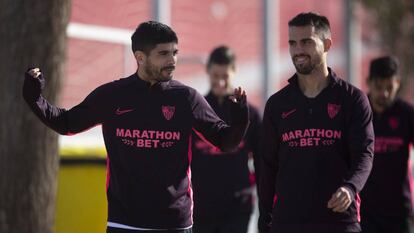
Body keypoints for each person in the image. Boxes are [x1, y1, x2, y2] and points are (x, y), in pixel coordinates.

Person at [23, 21, 249, 233]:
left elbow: (224, 141)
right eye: (163, 54)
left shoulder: (186, 98)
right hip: (124, 222)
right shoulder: (112, 96)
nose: (172, 60)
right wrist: (35, 99)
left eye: (175, 52)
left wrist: (240, 119)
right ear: (140, 57)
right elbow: (66, 123)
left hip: (174, 223)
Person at [258, 12, 374, 233]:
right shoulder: (277, 105)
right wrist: (265, 222)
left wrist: (350, 188)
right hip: (288, 224)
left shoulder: (353, 100)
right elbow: (268, 167)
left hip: (339, 222)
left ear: (327, 44)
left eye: (306, 42)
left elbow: (364, 155)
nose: (298, 50)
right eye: (292, 43)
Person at [191, 46, 261, 233]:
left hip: (237, 207)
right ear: (207, 71)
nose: (220, 83)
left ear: (234, 71)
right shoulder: (196, 111)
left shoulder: (251, 115)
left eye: (225, 76)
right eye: (215, 76)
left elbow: (263, 161)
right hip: (200, 208)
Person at [360, 56, 414, 233]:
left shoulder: (407, 115)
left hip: (399, 212)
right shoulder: (357, 113)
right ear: (368, 82)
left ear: (398, 83)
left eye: (389, 87)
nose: (384, 93)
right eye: (378, 87)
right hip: (364, 212)